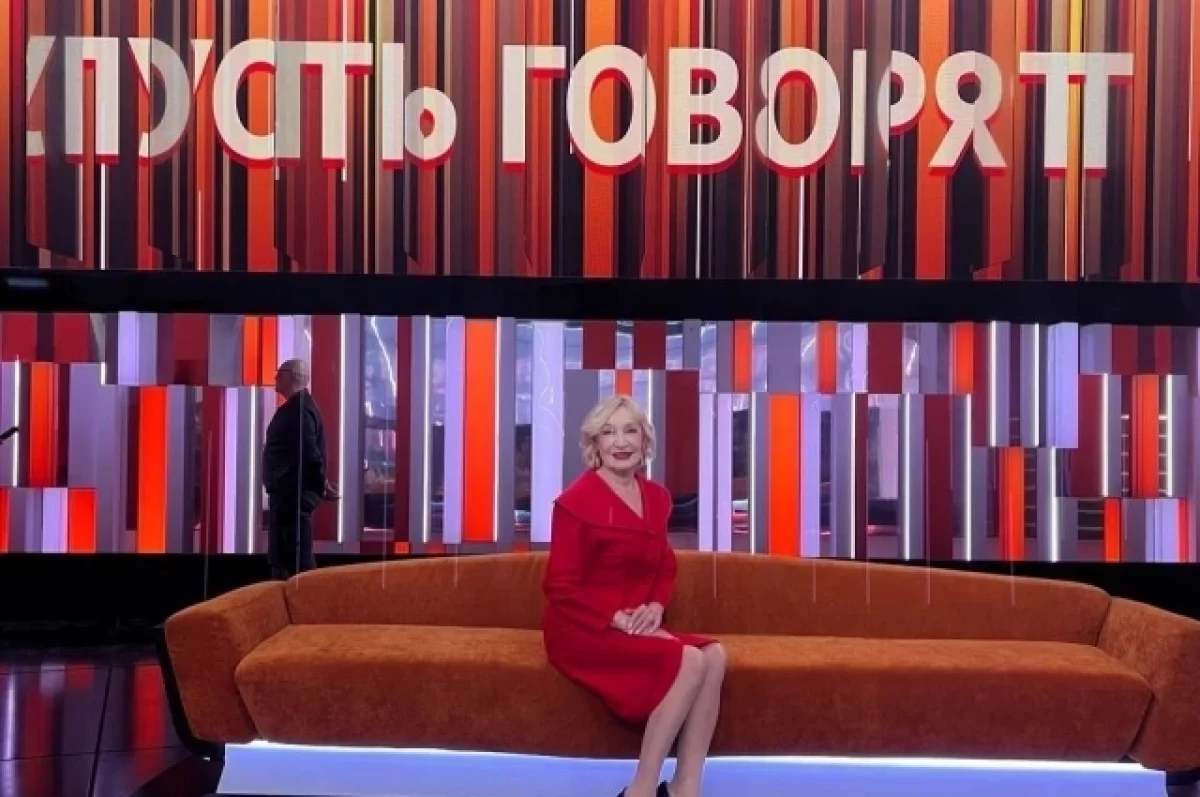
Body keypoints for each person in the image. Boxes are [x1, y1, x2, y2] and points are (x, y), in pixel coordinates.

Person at [542, 395, 727, 797]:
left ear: (645, 441)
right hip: (584, 627)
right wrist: (617, 619)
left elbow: (665, 565)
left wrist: (656, 606)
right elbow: (560, 586)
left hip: (636, 621)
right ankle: (640, 789)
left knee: (715, 655)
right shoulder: (575, 502)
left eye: (630, 431)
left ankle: (685, 788)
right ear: (595, 444)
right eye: (608, 433)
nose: (621, 442)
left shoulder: (657, 498)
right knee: (690, 660)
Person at [262, 359, 339, 580]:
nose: (276, 377)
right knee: (288, 556)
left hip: (293, 494)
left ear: (293, 376)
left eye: (280, 373)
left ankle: (308, 598)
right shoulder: (298, 408)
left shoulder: (299, 410)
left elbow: (309, 453)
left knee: (296, 558)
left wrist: (320, 484)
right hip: (289, 493)